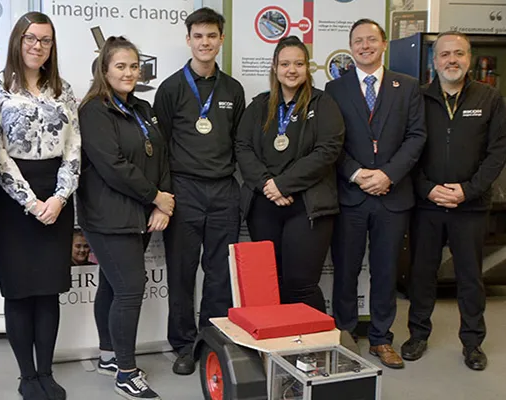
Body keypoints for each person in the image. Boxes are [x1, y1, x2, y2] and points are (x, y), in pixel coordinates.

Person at [0, 12, 80, 400]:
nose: (37, 46)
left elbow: (74, 148)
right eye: (30, 38)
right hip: (9, 201)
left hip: (56, 193)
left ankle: (45, 372)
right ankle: (27, 376)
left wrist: (58, 198)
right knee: (20, 291)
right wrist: (30, 201)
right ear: (16, 41)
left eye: (45, 40)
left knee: (48, 290)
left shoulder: (64, 89)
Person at [402, 31, 506, 371]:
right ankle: (418, 334)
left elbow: (497, 153)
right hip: (427, 205)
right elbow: (407, 151)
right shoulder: (417, 99)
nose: (452, 60)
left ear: (469, 58)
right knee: (422, 274)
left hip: (471, 206)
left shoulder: (489, 98)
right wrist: (426, 188)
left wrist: (468, 190)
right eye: (445, 54)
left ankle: (473, 343)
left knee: (469, 277)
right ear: (434, 62)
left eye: (459, 54)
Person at [325, 18, 426, 369]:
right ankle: (346, 334)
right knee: (346, 270)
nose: (364, 46)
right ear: (350, 47)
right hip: (351, 195)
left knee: (385, 271)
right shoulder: (334, 89)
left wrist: (388, 175)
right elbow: (331, 142)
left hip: (392, 196)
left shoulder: (408, 86)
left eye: (371, 40)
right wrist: (355, 172)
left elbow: (416, 137)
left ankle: (382, 339)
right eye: (358, 41)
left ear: (383, 44)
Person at [78, 36, 173, 400]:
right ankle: (126, 373)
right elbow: (112, 166)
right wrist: (156, 197)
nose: (129, 72)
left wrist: (162, 202)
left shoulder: (143, 108)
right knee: (131, 289)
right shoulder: (94, 111)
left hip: (140, 213)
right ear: (104, 70)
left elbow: (161, 156)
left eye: (134, 66)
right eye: (120, 66)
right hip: (107, 216)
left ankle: (108, 356)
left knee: (112, 286)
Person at [153, 7, 245, 375]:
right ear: (188, 39)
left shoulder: (233, 89)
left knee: (220, 274)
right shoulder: (171, 88)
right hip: (184, 190)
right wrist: (164, 195)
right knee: (182, 272)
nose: (205, 42)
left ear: (221, 40)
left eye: (212, 36)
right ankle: (183, 344)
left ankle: (212, 338)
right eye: (198, 36)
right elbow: (158, 147)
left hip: (224, 191)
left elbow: (240, 144)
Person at [236, 36, 344, 313]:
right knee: (270, 282)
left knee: (301, 283)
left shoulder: (324, 104)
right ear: (274, 67)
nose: (291, 70)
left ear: (308, 68)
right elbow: (243, 147)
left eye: (298, 63)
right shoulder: (259, 106)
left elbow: (327, 150)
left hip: (307, 207)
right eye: (285, 63)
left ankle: (312, 351)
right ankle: (278, 350)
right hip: (265, 205)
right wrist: (266, 185)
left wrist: (283, 184)